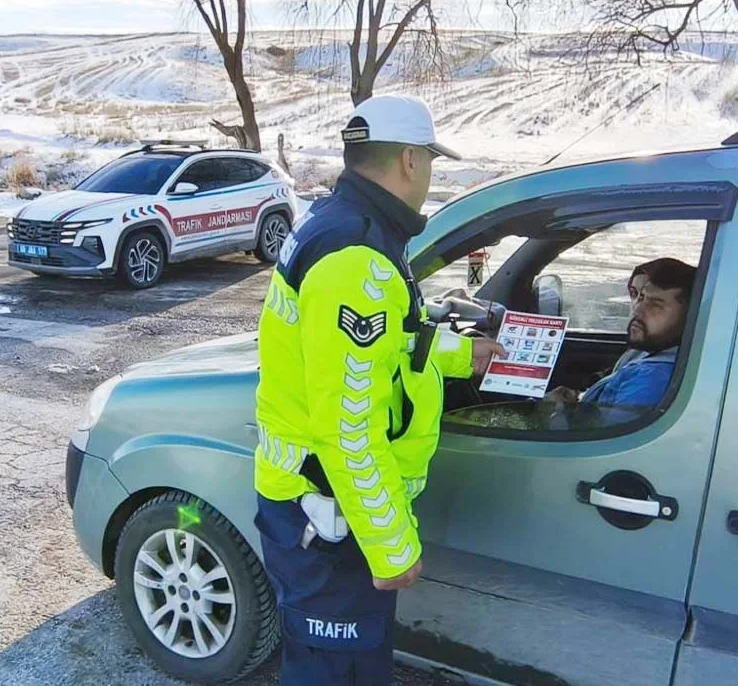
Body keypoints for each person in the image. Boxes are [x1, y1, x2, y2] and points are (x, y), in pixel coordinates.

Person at [252, 94, 504, 685]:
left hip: (319, 507)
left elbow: (384, 345)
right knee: (336, 673)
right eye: (432, 163)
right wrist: (392, 546)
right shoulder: (356, 258)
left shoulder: (342, 223)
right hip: (329, 518)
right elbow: (348, 424)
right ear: (411, 160)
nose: (429, 176)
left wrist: (461, 354)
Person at [549, 258, 696, 411]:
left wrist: (554, 411)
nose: (636, 309)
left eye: (656, 304)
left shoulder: (651, 379)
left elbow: (609, 433)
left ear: (692, 313)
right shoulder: (645, 351)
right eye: (635, 295)